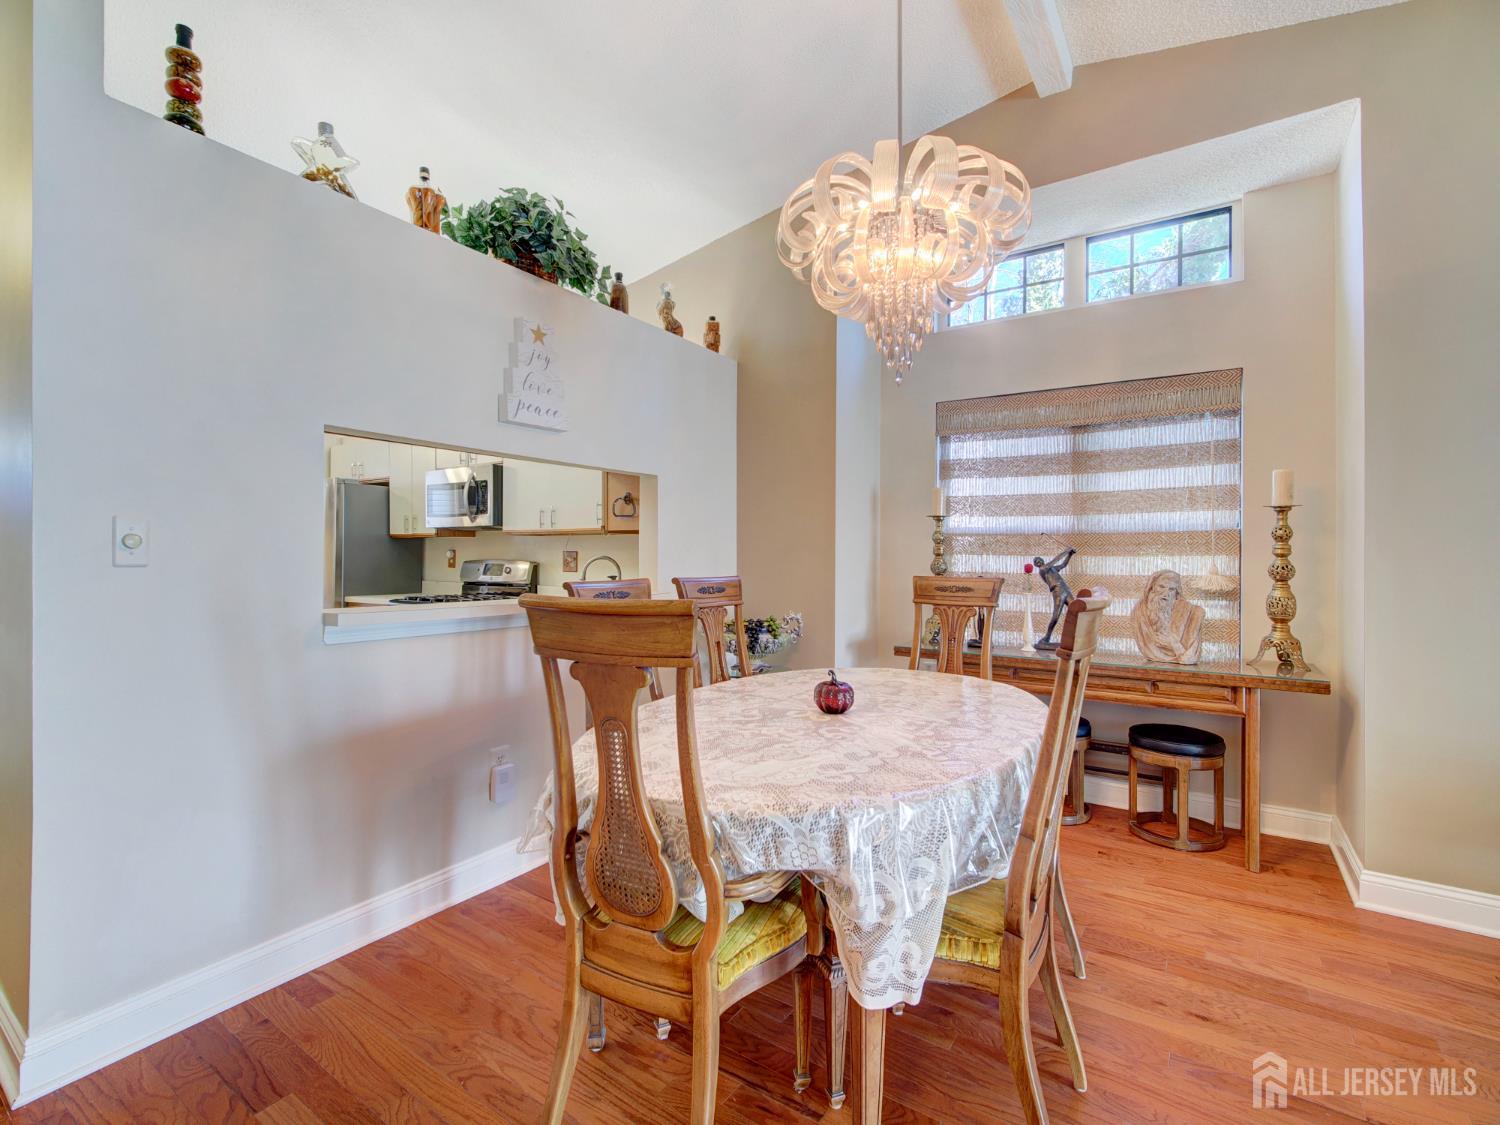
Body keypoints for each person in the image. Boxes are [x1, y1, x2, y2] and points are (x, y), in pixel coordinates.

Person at [1131, 569, 1205, 664]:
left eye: (1171, 589)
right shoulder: (1139, 612)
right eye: (1161, 587)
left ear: (1176, 593)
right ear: (1152, 587)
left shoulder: (1193, 614)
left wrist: (1173, 643)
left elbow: (1190, 658)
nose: (1165, 594)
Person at [1033, 547, 1077, 649]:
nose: (1038, 562)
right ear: (1036, 565)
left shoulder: (1051, 569)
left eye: (1039, 559)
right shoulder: (1043, 569)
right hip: (1058, 591)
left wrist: (1070, 555)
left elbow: (1063, 565)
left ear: (1042, 560)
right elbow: (1055, 560)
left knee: (1077, 610)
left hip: (1065, 590)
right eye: (1036, 562)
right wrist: (1066, 551)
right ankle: (1046, 638)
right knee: (1056, 616)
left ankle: (1075, 637)